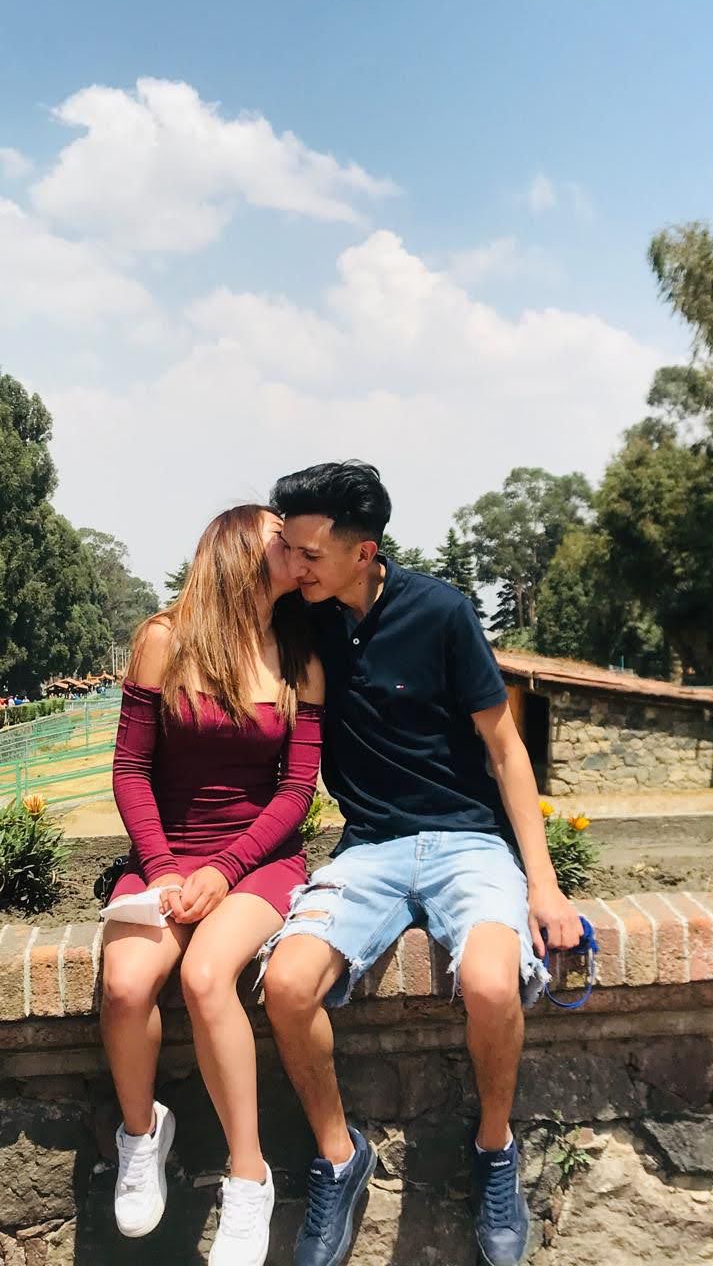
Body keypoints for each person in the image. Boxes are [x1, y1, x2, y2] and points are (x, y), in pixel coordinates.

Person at [261, 462, 582, 1266]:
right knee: (288, 986)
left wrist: (544, 886)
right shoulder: (303, 616)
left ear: (364, 552)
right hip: (369, 846)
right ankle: (339, 1155)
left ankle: (495, 1148)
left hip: (466, 841)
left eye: (309, 553)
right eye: (289, 550)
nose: (295, 566)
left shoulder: (441, 611)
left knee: (490, 983)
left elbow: (505, 749)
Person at [101, 504, 324, 1266]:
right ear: (236, 549)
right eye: (280, 539)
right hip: (165, 855)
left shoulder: (300, 656)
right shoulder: (162, 641)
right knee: (126, 985)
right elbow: (130, 770)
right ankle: (142, 1135)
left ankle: (248, 1176)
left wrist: (225, 870)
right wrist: (163, 867)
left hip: (260, 860)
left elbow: (297, 791)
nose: (296, 550)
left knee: (204, 977)